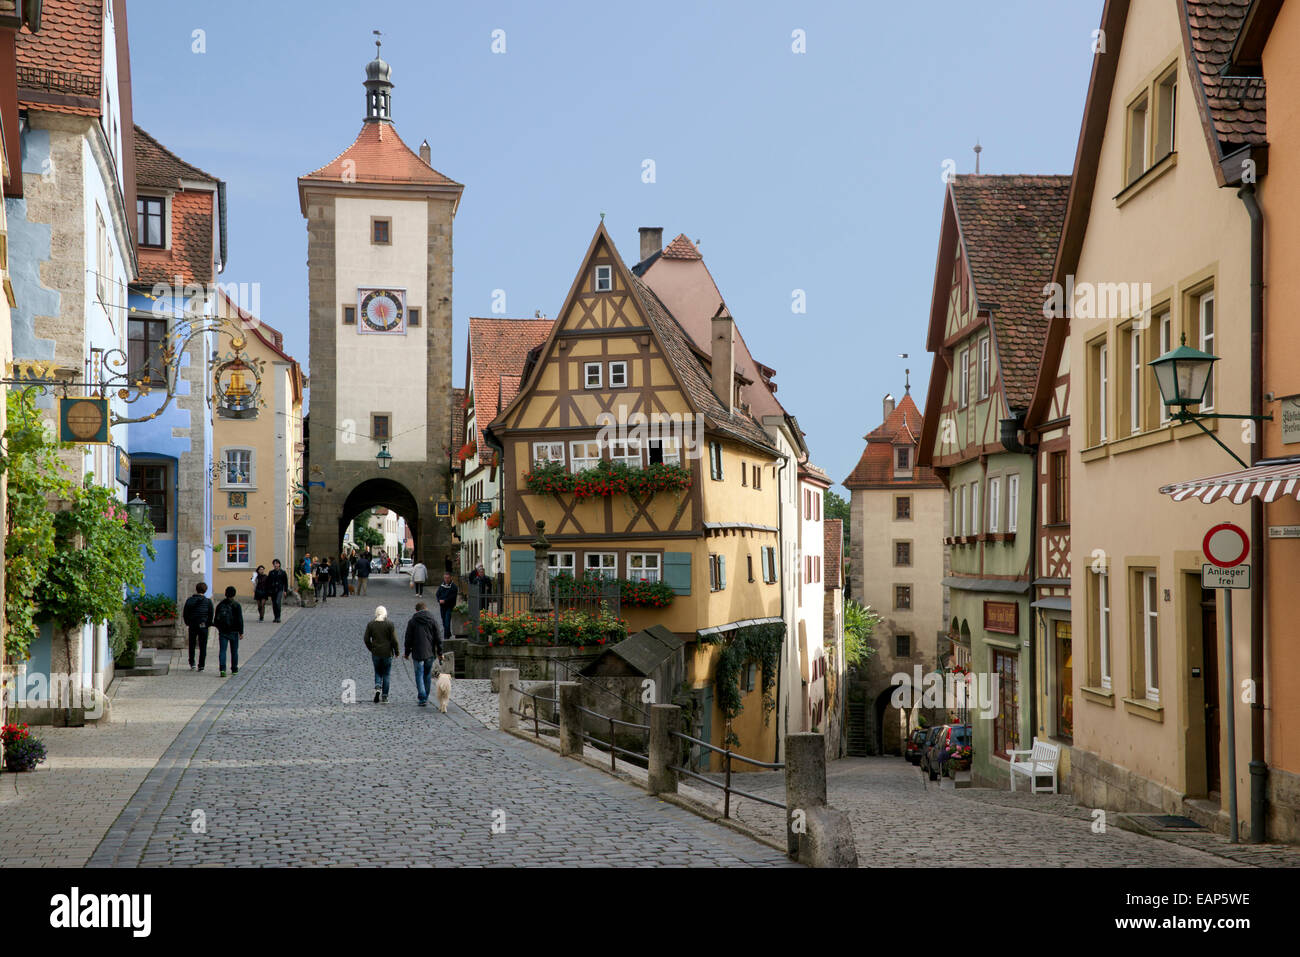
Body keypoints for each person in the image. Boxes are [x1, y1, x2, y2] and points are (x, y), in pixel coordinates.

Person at [403, 601, 444, 707]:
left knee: (419, 674)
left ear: (416, 610)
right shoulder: (433, 620)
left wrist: (407, 652)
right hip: (430, 653)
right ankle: (425, 696)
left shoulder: (412, 621)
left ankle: (422, 697)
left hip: (417, 653)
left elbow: (408, 638)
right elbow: (438, 638)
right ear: (426, 609)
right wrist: (440, 652)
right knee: (427, 675)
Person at [363, 605, 400, 703]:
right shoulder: (389, 624)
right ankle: (384, 696)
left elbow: (366, 639)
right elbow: (394, 640)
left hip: (376, 652)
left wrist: (371, 648)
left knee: (378, 671)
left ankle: (378, 686)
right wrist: (397, 652)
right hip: (387, 653)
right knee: (386, 674)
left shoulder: (371, 624)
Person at [182, 582, 214, 672]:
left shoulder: (190, 600)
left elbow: (185, 613)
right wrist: (208, 624)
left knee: (192, 644)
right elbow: (211, 614)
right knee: (203, 645)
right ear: (205, 590)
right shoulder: (208, 601)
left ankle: (192, 663)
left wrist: (188, 623)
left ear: (196, 589)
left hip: (192, 625)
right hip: (203, 626)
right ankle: (201, 665)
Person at [214, 585, 245, 677]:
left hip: (223, 631)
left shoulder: (220, 605)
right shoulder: (237, 605)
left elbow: (216, 619)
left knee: (223, 651)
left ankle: (222, 669)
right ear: (234, 594)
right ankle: (234, 669)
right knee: (234, 651)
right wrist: (241, 632)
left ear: (225, 593)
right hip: (234, 631)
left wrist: (219, 628)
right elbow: (240, 619)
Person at [435, 571, 458, 640]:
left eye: (448, 578)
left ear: (450, 578)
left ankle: (446, 637)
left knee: (447, 621)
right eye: (445, 578)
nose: (446, 579)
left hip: (449, 606)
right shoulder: (442, 585)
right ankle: (448, 633)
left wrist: (445, 600)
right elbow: (437, 594)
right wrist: (439, 600)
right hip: (442, 606)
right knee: (444, 621)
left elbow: (453, 597)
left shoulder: (453, 587)